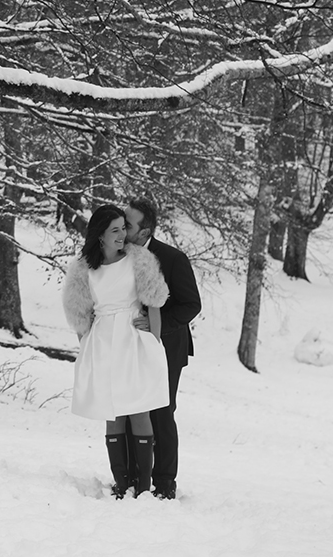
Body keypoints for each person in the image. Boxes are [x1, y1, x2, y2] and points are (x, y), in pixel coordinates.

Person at [63, 204, 170, 498]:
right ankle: (122, 483)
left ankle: (144, 487)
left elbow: (155, 301)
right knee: (113, 412)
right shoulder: (84, 268)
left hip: (135, 340)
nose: (123, 235)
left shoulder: (139, 259)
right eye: (115, 230)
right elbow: (78, 311)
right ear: (100, 235)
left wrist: (155, 341)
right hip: (103, 343)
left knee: (139, 409)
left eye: (124, 228)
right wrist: (86, 343)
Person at [124, 198, 201, 500]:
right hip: (129, 347)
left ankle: (165, 484)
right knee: (131, 409)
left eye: (128, 224)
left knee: (161, 412)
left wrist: (155, 324)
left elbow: (191, 304)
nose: (122, 227)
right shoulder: (117, 257)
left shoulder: (172, 258)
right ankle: (135, 475)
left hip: (167, 347)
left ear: (144, 232)